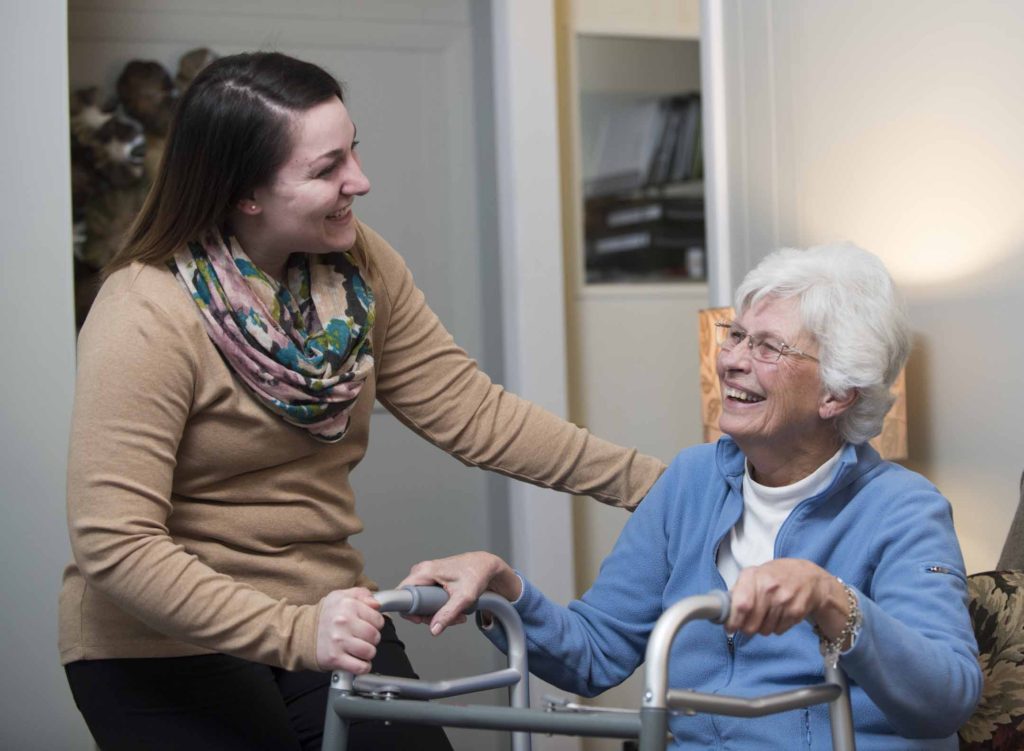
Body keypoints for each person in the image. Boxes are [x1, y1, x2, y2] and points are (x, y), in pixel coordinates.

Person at [59, 51, 666, 751]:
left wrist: (663, 487)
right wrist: (294, 631)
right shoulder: (146, 308)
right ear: (245, 194)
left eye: (354, 151)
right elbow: (114, 539)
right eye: (326, 169)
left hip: (324, 611)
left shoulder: (360, 269)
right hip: (159, 638)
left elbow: (474, 414)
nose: (361, 181)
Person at [405, 243, 983, 749]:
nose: (729, 360)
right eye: (735, 336)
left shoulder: (904, 508)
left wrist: (833, 601)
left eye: (768, 348)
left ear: (836, 394)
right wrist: (507, 591)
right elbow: (595, 652)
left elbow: (947, 697)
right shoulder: (690, 482)